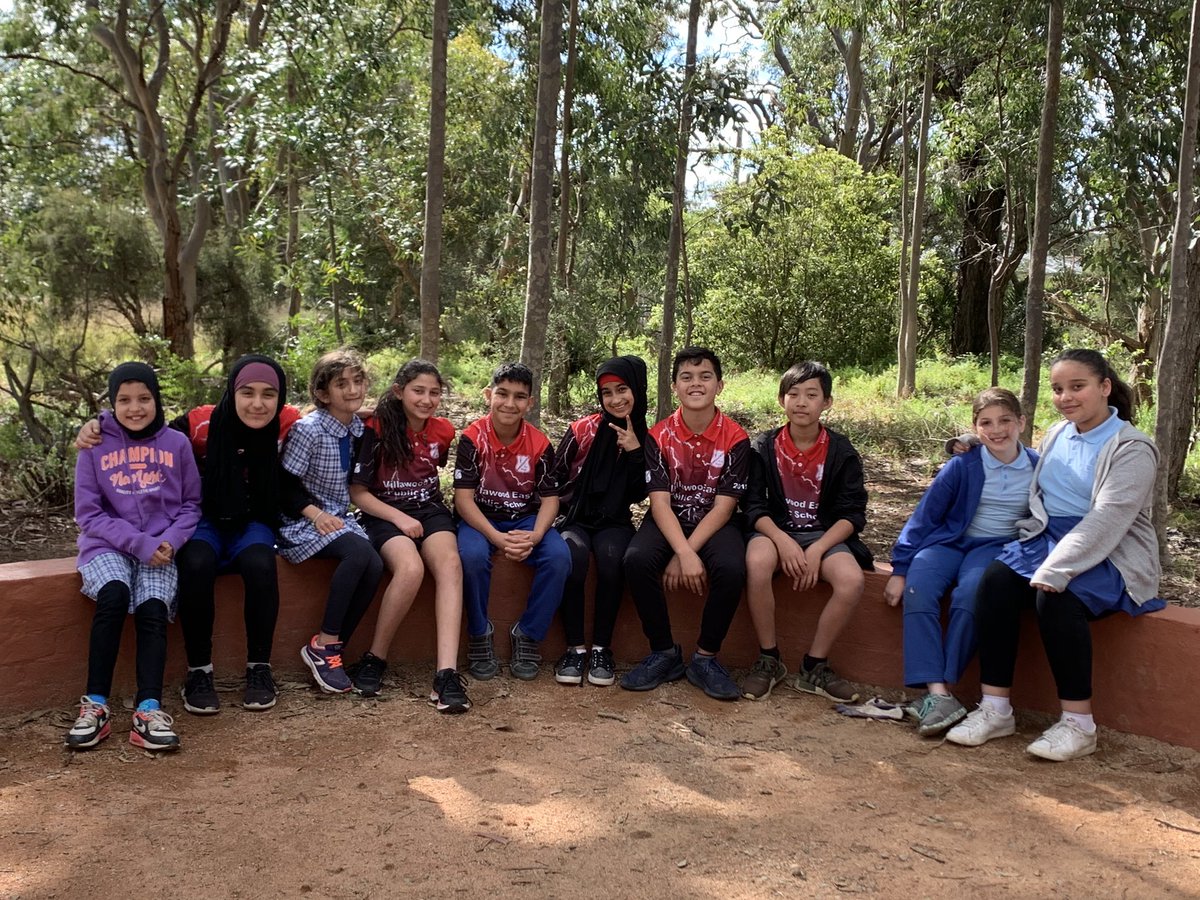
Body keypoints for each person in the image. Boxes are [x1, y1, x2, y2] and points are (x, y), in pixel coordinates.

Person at [946, 349, 1165, 761]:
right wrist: (975, 440)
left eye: (1077, 387)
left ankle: (1079, 725)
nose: (1065, 397)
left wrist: (1058, 567)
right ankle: (995, 709)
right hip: (1047, 538)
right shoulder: (1060, 434)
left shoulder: (1132, 448)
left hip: (1110, 549)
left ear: (1104, 388)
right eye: (1058, 389)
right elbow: (1021, 453)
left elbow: (1109, 518)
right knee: (995, 582)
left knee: (1057, 595)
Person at [72, 355, 307, 714]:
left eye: (268, 394)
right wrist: (95, 424)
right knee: (195, 563)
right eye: (247, 392)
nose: (257, 403)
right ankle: (199, 671)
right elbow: (146, 428)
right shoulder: (199, 424)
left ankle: (259, 668)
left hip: (251, 521)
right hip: (206, 520)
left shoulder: (288, 422)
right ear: (232, 391)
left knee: (261, 565)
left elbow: (338, 416)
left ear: (280, 397)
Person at [883, 387, 1037, 735]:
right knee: (919, 589)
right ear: (975, 427)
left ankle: (947, 688)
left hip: (996, 547)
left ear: (1021, 422)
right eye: (986, 423)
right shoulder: (962, 465)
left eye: (1005, 421)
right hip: (948, 543)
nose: (997, 430)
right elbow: (924, 518)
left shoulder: (1038, 468)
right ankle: (937, 694)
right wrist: (901, 568)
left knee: (973, 594)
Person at [66, 362, 201, 751]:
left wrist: (170, 542)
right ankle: (95, 706)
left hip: (162, 547)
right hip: (107, 545)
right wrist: (138, 543)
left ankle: (148, 710)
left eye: (144, 398)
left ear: (157, 400)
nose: (135, 407)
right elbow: (88, 513)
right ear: (112, 403)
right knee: (113, 595)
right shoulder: (94, 443)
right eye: (124, 400)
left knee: (153, 609)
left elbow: (192, 504)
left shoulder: (177, 444)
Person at [740, 361, 874, 703]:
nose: (801, 402)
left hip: (823, 536)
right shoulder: (763, 447)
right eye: (794, 394)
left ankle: (815, 665)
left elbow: (852, 514)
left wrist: (816, 550)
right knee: (756, 563)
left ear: (826, 402)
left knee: (851, 580)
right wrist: (783, 541)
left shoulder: (841, 452)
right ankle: (769, 658)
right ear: (781, 399)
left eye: (811, 395)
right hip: (775, 532)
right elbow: (753, 506)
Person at [621, 346, 750, 701]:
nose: (696, 384)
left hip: (713, 520)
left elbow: (725, 508)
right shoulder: (658, 436)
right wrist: (681, 548)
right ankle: (664, 652)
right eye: (687, 377)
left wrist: (686, 553)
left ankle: (706, 658)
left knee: (731, 567)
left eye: (705, 376)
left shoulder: (736, 439)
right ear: (675, 386)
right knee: (636, 559)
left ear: (719, 386)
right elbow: (659, 503)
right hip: (670, 518)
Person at [349, 360, 471, 712]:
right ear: (399, 391)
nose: (427, 399)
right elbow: (358, 493)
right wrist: (399, 518)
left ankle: (446, 675)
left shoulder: (444, 430)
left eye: (434, 392)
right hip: (383, 513)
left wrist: (415, 517)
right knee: (411, 569)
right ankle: (375, 657)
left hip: (430, 511)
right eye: (418, 390)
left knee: (450, 564)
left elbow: (436, 468)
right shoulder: (375, 428)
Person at [454, 361, 571, 681]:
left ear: (530, 402)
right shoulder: (472, 438)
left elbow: (550, 499)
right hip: (481, 520)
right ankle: (479, 633)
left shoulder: (539, 443)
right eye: (502, 394)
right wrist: (495, 536)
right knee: (472, 557)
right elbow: (463, 500)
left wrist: (534, 536)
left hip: (526, 518)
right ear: (488, 395)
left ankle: (529, 634)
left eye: (519, 397)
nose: (509, 403)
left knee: (560, 558)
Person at [279, 349, 384, 694]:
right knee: (358, 554)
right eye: (342, 385)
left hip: (337, 517)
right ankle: (323, 645)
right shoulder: (308, 430)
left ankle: (331, 648)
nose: (353, 390)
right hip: (302, 519)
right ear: (323, 394)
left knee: (374, 562)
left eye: (358, 381)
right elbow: (283, 484)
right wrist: (315, 513)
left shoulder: (355, 425)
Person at [550, 356, 649, 687]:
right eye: (607, 393)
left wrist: (635, 451)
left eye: (623, 390)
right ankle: (575, 648)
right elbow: (554, 476)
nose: (616, 399)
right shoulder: (583, 429)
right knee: (572, 557)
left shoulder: (649, 435)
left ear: (638, 388)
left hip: (615, 521)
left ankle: (601, 649)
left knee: (611, 561)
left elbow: (639, 493)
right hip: (575, 517)